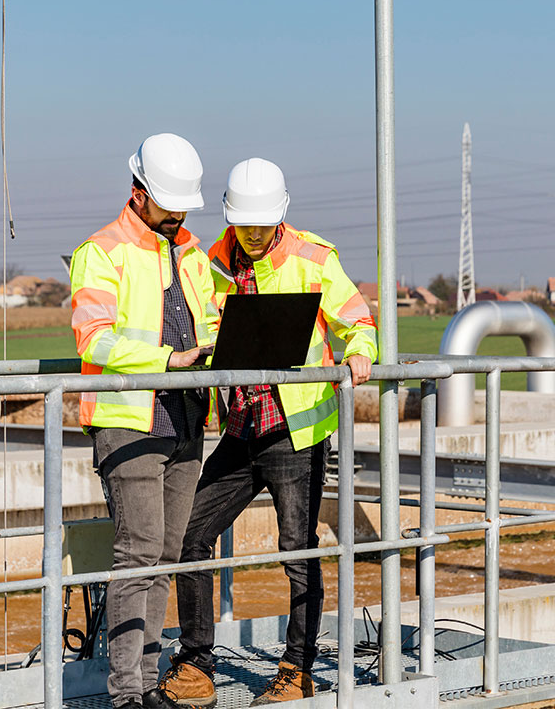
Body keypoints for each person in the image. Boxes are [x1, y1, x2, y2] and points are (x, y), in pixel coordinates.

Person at [158, 158, 377, 706]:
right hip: (239, 428)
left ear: (279, 216)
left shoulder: (313, 256)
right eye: (244, 225)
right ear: (231, 218)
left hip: (294, 431)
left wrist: (360, 353)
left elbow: (358, 319)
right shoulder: (211, 262)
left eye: (261, 226)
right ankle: (196, 663)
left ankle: (296, 671)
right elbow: (208, 327)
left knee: (296, 551)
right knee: (192, 536)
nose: (253, 236)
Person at [69, 132, 220, 709]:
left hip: (185, 418)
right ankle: (125, 694)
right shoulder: (101, 251)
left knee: (169, 554)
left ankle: (150, 683)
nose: (178, 213)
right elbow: (95, 339)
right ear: (138, 192)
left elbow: (207, 320)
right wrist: (166, 359)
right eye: (169, 203)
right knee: (139, 553)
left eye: (184, 205)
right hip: (129, 421)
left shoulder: (192, 252)